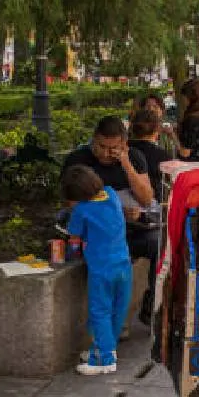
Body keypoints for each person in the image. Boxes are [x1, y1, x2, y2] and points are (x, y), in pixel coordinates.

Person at [61, 117, 157, 327]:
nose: (105, 153)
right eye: (101, 146)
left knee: (159, 243)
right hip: (99, 233)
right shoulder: (79, 159)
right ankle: (111, 329)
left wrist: (126, 164)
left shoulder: (134, 157)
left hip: (131, 229)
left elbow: (147, 199)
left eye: (113, 148)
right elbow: (72, 204)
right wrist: (112, 211)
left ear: (124, 144)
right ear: (94, 139)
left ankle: (151, 307)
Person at [62, 165, 132, 376]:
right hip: (124, 264)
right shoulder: (110, 194)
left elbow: (74, 240)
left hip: (102, 269)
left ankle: (104, 359)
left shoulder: (82, 210)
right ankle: (106, 348)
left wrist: (69, 255)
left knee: (100, 311)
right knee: (117, 310)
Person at [128, 109, 174, 203]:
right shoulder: (161, 155)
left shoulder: (123, 149)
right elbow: (173, 180)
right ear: (157, 130)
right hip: (152, 204)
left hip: (123, 202)